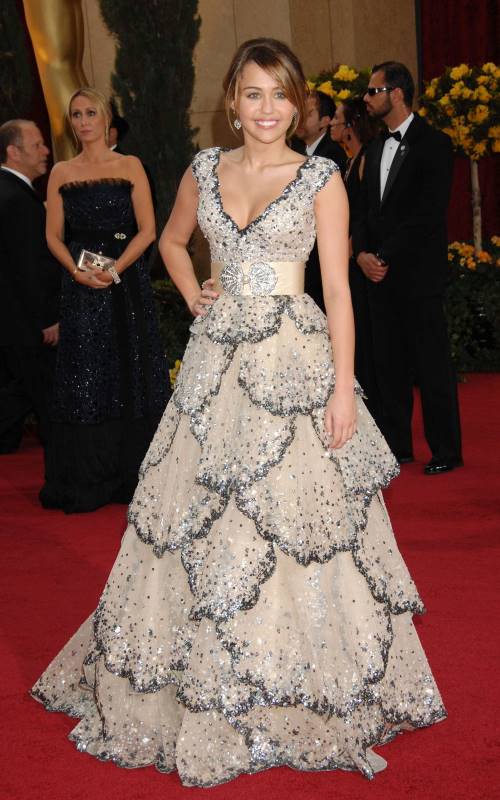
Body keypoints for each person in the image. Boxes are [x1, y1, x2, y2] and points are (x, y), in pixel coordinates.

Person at [32, 41, 446, 785]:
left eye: (280, 95)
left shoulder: (320, 177)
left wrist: (343, 389)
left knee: (297, 519)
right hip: (218, 364)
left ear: (298, 102)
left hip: (294, 360)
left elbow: (338, 291)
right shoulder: (204, 169)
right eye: (253, 94)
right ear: (232, 101)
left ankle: (299, 674)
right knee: (202, 512)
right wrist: (195, 291)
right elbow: (172, 242)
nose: (267, 109)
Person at [39, 87, 169, 513]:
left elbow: (147, 230)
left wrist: (115, 270)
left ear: (106, 117)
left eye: (91, 113)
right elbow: (52, 236)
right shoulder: (61, 172)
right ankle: (90, 474)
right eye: (76, 114)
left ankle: (134, 472)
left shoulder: (130, 165)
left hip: (125, 284)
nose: (83, 122)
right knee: (87, 373)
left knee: (130, 368)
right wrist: (76, 272)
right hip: (80, 288)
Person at [353, 61, 462, 473]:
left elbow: (427, 214)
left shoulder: (435, 143)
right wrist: (362, 254)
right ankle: (397, 446)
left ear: (396, 93)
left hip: (417, 275)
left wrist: (383, 255)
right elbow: (364, 210)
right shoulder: (374, 148)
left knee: (431, 366)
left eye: (373, 90)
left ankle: (446, 451)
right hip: (378, 277)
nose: (366, 98)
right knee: (388, 367)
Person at [0, 120, 60, 453]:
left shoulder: (11, 192)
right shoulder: (18, 200)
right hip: (24, 320)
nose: (46, 151)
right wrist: (47, 318)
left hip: (11, 318)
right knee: (36, 389)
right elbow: (30, 268)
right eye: (37, 145)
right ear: (13, 151)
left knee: (21, 388)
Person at [329, 97, 379, 413]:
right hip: (348, 259)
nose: (332, 123)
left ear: (351, 126)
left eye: (337, 118)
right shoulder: (350, 161)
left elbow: (368, 212)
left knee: (366, 338)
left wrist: (357, 246)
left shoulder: (366, 158)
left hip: (360, 260)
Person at [293, 90, 348, 309]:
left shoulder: (333, 156)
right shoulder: (293, 148)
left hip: (321, 254)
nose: (300, 119)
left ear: (325, 121)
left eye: (308, 114)